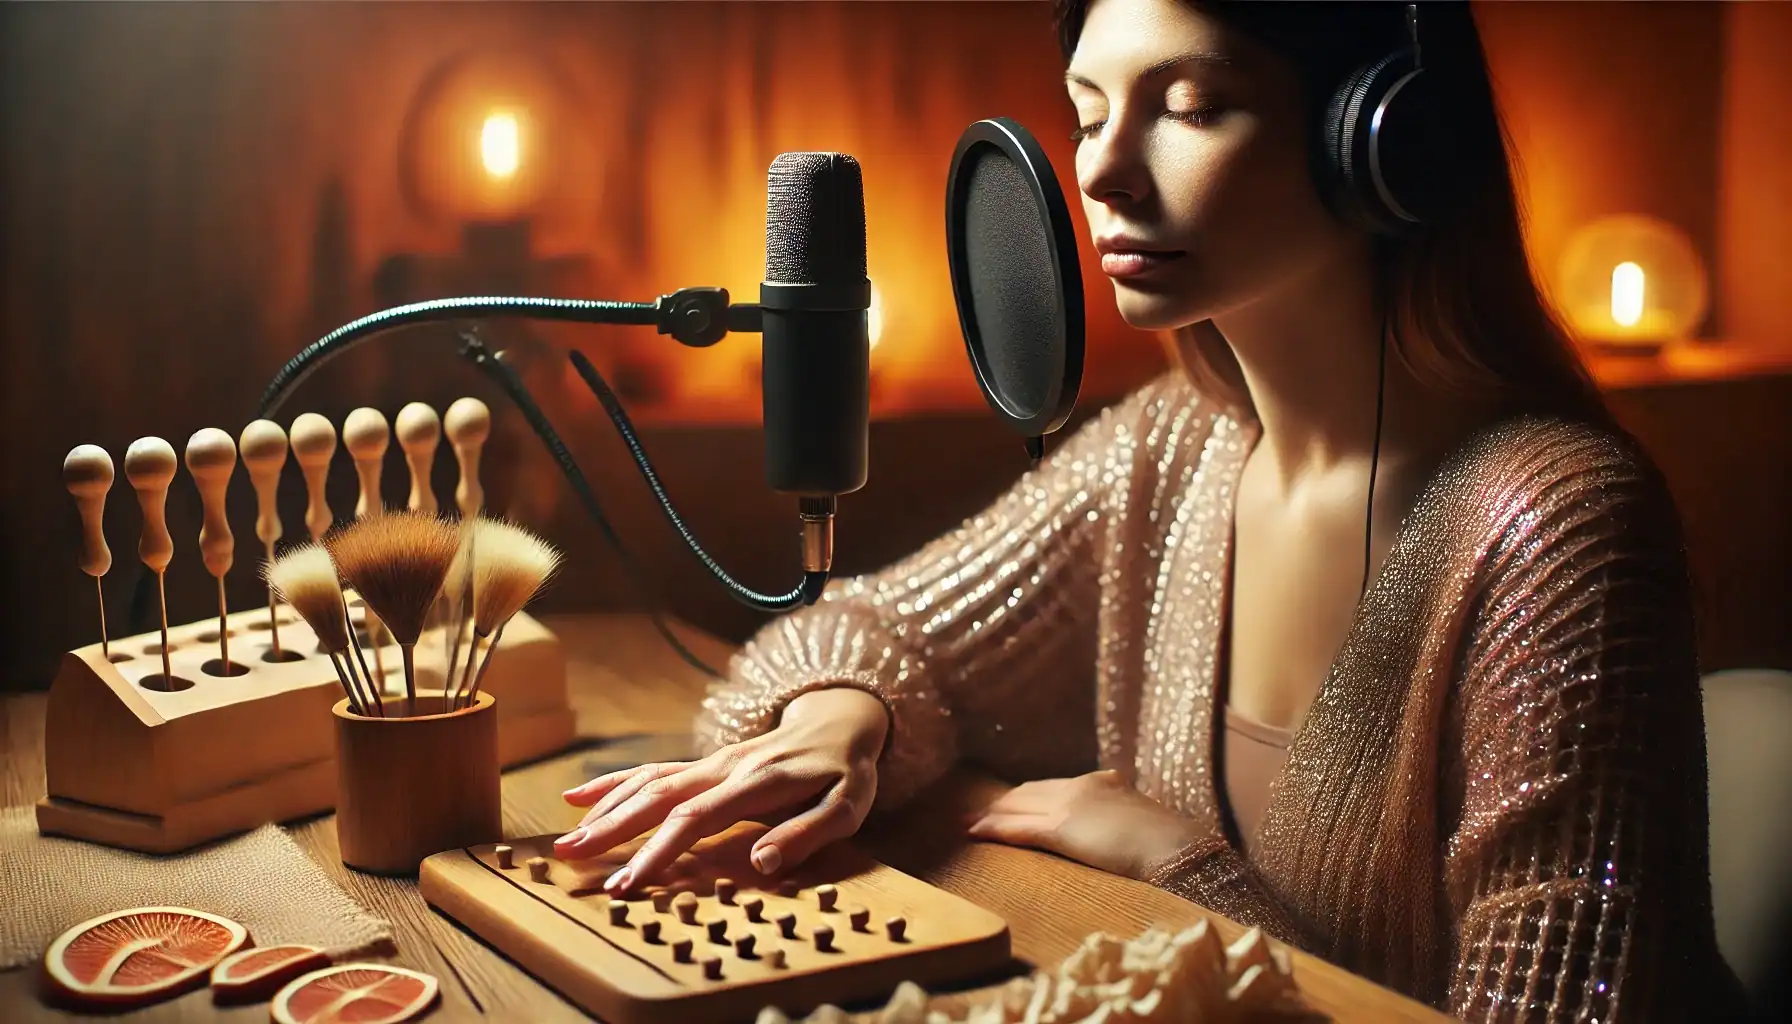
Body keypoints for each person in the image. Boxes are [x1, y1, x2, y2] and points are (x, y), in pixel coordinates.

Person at [556, 1, 1746, 1019]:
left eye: (1187, 106)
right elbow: (844, 636)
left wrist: (1180, 875)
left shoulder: (1558, 530)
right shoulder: (1174, 449)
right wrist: (840, 720)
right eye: (1086, 115)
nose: (1100, 172)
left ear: (1383, 140)